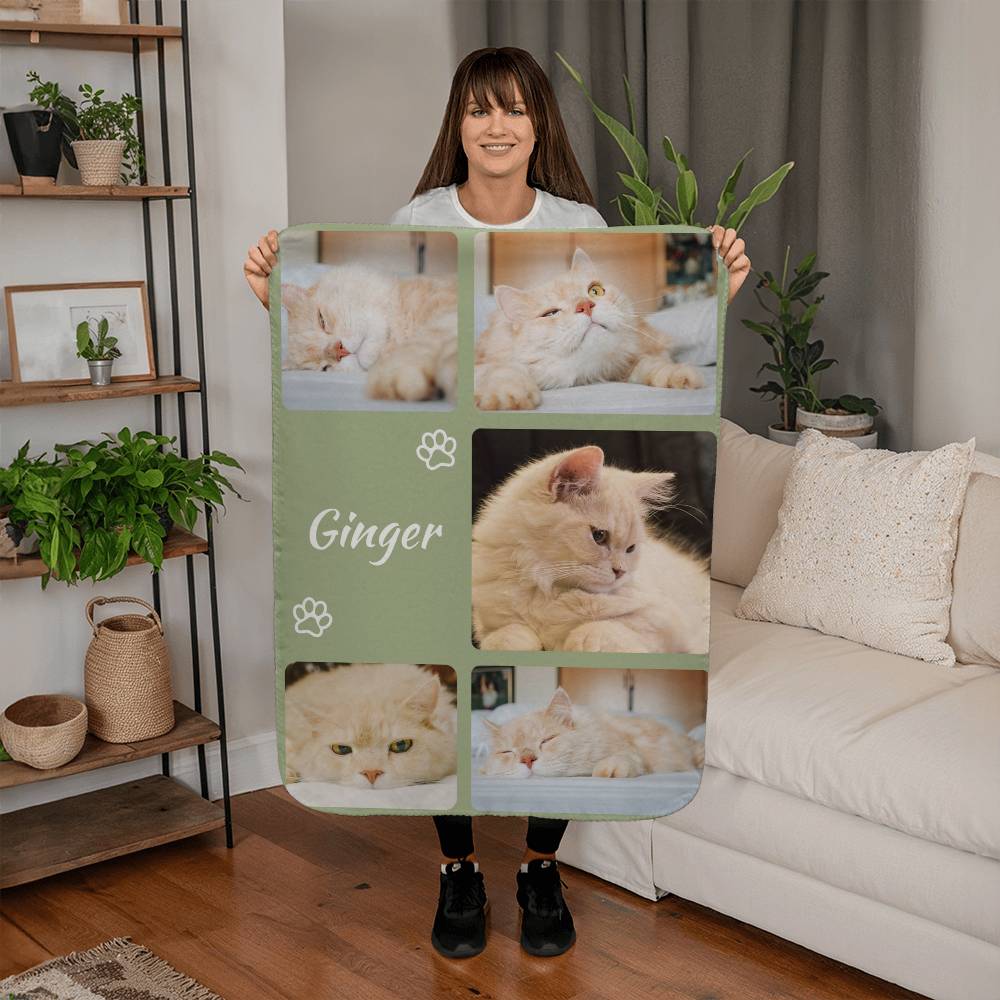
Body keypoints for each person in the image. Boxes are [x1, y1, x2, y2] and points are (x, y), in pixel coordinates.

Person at [243, 46, 750, 962]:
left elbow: (625, 340)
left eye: (515, 109)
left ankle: (542, 865)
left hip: (539, 466)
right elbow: (380, 334)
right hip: (426, 465)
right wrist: (273, 296)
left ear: (537, 124)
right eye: (480, 110)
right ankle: (459, 869)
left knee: (549, 673)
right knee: (438, 648)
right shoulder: (420, 219)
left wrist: (719, 290)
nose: (497, 125)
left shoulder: (577, 221)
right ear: (460, 124)